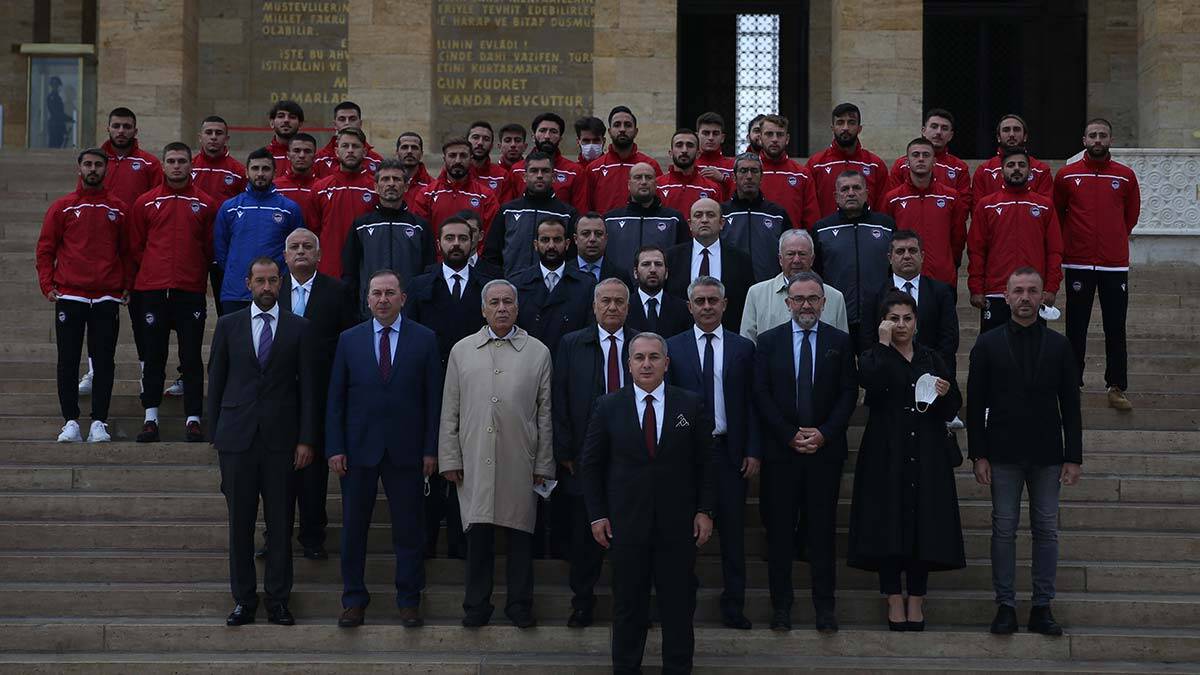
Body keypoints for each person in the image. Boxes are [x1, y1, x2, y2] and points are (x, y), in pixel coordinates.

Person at [582, 331, 715, 673]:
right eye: (639, 357)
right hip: (626, 526)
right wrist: (597, 515)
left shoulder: (690, 403)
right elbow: (591, 465)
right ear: (629, 365)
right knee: (628, 606)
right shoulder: (608, 406)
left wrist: (705, 510)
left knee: (678, 607)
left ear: (666, 363)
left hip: (678, 525)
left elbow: (707, 464)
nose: (646, 364)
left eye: (654, 357)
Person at [968, 268, 1082, 637]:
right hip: (1001, 453)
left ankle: (1041, 606)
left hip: (1048, 453)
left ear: (1042, 297)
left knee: (1046, 529)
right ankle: (1005, 605)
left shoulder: (1060, 346)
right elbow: (975, 405)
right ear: (1006, 294)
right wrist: (978, 455)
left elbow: (1071, 404)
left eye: (1033, 291)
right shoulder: (987, 344)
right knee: (1003, 528)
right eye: (1018, 290)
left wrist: (1073, 456)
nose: (1025, 298)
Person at [326, 269, 443, 629]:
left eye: (390, 293)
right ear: (367, 298)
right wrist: (335, 447)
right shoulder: (349, 339)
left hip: (407, 451)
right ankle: (353, 600)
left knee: (409, 530)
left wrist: (430, 449)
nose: (382, 299)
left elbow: (433, 400)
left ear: (402, 299)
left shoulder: (424, 339)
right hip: (358, 450)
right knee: (354, 530)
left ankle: (409, 601)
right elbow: (336, 399)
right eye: (376, 293)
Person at [439, 279, 555, 628]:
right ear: (483, 309)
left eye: (508, 302)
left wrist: (544, 463)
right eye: (495, 302)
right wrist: (449, 458)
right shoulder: (462, 350)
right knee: (478, 536)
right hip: (473, 456)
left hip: (521, 457)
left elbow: (545, 412)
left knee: (520, 536)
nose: (502, 308)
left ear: (518, 308)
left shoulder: (538, 352)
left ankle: (520, 605)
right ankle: (476, 606)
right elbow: (450, 409)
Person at [848, 290, 965, 632]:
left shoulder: (931, 357)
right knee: (888, 523)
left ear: (917, 322)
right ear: (883, 321)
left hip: (926, 451)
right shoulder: (875, 354)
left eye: (906, 318)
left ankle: (916, 597)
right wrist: (883, 344)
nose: (900, 324)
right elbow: (868, 381)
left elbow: (953, 404)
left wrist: (944, 394)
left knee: (922, 524)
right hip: (886, 450)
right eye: (894, 318)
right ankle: (892, 597)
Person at [208, 257, 315, 628]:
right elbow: (216, 380)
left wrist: (305, 439)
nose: (266, 287)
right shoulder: (228, 325)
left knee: (281, 525)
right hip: (237, 440)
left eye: (272, 281)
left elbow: (310, 391)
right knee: (239, 524)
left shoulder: (299, 328)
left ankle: (279, 600)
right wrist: (215, 434)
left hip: (282, 442)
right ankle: (243, 600)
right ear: (248, 283)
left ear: (281, 283)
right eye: (260, 281)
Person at [753, 271, 858, 632]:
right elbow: (761, 394)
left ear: (824, 302)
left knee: (822, 534)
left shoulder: (840, 342)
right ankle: (781, 607)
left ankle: (824, 609)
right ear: (788, 303)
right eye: (798, 299)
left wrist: (825, 434)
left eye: (813, 298)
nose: (806, 305)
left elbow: (848, 394)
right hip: (782, 454)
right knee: (780, 534)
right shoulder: (767, 342)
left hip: (824, 454)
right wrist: (788, 435)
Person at [256, 228, 356, 561]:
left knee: (313, 474)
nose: (301, 251)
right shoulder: (272, 290)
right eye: (294, 247)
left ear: (319, 255)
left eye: (307, 246)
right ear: (284, 256)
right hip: (279, 398)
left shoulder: (338, 291)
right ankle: (274, 537)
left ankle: (313, 536)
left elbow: (347, 343)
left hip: (321, 394)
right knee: (276, 476)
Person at [666, 277, 760, 630]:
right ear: (689, 306)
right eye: (700, 301)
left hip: (730, 453)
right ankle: (681, 606)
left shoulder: (743, 348)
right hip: (686, 457)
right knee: (682, 537)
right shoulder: (673, 347)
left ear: (725, 304)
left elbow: (753, 403)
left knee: (734, 536)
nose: (707, 307)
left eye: (713, 301)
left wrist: (752, 449)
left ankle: (734, 606)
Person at [406, 217, 497, 560]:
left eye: (462, 237)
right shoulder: (419, 286)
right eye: (449, 238)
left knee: (469, 470)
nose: (456, 243)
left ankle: (463, 545)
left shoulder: (489, 286)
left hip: (477, 390)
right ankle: (427, 543)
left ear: (474, 241)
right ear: (439, 243)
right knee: (429, 468)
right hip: (429, 389)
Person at [552, 278, 636, 627]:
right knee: (585, 537)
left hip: (632, 458)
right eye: (606, 301)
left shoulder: (641, 344)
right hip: (584, 458)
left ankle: (630, 607)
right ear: (594, 306)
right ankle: (582, 602)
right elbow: (559, 398)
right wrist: (565, 450)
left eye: (619, 301)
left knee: (630, 539)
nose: (612, 307)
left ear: (628, 307)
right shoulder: (572, 344)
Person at [126, 142, 216, 443]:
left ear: (192, 165)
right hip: (152, 290)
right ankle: (150, 417)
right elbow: (136, 246)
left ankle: (193, 418)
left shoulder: (204, 203)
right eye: (171, 161)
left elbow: (208, 246)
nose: (177, 166)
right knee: (153, 356)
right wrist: (155, 270)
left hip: (189, 290)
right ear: (163, 165)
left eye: (182, 161)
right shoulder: (145, 203)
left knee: (190, 357)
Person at [37, 148, 128, 443]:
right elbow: (46, 249)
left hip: (105, 297)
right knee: (68, 360)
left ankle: (99, 421)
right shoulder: (62, 207)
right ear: (79, 168)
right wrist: (47, 283)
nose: (93, 169)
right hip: (70, 295)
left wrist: (126, 284)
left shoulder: (119, 209)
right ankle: (71, 422)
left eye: (98, 165)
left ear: (106, 169)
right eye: (88, 164)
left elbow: (128, 251)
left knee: (104, 362)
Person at [1054, 118, 1141, 411]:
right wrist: (1075, 241)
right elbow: (1058, 212)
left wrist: (1113, 238)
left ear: (1111, 140)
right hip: (1078, 262)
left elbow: (1130, 216)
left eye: (1103, 135)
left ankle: (1116, 386)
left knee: (1115, 327)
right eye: (1093, 135)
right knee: (1075, 327)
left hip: (1114, 265)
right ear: (1084, 140)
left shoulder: (1125, 176)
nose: (1098, 140)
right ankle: (1072, 383)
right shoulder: (1066, 176)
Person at [968, 147, 1063, 334]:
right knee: (993, 350)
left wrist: (1051, 287)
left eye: (1022, 165)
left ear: (1029, 170)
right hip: (996, 291)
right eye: (1011, 165)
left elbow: (1054, 250)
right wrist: (976, 288)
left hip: (1033, 292)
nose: (1016, 169)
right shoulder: (986, 205)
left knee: (1033, 352)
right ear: (1002, 170)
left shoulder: (1044, 205)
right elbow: (976, 250)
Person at [213, 148, 304, 315]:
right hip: (236, 293)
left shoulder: (289, 209)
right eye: (255, 168)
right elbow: (221, 250)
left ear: (274, 172)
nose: (260, 173)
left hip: (275, 293)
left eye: (266, 169)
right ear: (246, 172)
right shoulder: (229, 208)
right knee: (237, 341)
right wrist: (236, 271)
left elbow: (295, 251)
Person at [812, 170, 896, 349]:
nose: (851, 193)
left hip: (877, 316)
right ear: (836, 196)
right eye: (845, 189)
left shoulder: (886, 226)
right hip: (836, 315)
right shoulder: (821, 229)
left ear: (866, 193)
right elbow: (816, 272)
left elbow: (893, 271)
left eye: (856, 188)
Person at [341, 160, 435, 316]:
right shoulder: (361, 226)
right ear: (376, 187)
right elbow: (350, 273)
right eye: (385, 179)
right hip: (369, 313)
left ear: (406, 186)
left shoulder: (419, 226)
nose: (391, 184)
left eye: (396, 179)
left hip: (411, 312)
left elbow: (428, 271)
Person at [864, 231, 959, 375]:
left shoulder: (941, 292)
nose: (907, 256)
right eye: (900, 251)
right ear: (890, 258)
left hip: (931, 374)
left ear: (922, 257)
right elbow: (867, 339)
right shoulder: (875, 294)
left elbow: (949, 338)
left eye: (912, 251)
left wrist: (933, 372)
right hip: (887, 375)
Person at [880, 138, 968, 289]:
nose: (921, 159)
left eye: (926, 155)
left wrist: (947, 263)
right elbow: (886, 239)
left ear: (934, 161)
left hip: (942, 278)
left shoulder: (951, 197)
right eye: (915, 155)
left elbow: (958, 238)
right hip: (904, 280)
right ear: (907, 162)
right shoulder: (892, 199)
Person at [740, 229, 848, 344]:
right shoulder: (757, 294)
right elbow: (747, 343)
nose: (796, 260)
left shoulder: (835, 298)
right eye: (790, 254)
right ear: (780, 259)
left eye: (802, 254)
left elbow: (841, 346)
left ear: (812, 259)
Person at [508, 218, 596, 358]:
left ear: (567, 244)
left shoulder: (587, 285)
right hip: (528, 363)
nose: (551, 246)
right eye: (545, 240)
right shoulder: (517, 284)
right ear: (536, 245)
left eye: (557, 240)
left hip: (571, 366)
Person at [482, 151, 577, 276]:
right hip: (512, 287)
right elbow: (491, 254)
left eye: (545, 171)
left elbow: (573, 256)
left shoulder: (567, 214)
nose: (539, 175)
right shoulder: (507, 211)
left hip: (554, 288)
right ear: (524, 176)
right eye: (534, 171)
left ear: (554, 177)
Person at [666, 198, 753, 333]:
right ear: (690, 224)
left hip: (728, 335)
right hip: (681, 336)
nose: (704, 220)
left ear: (721, 223)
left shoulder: (741, 259)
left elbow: (745, 302)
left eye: (710, 215)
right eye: (698, 215)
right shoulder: (671, 257)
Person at [311, 128, 379, 279]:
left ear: (365, 152)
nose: (350, 150)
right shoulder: (320, 188)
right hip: (329, 271)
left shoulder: (376, 188)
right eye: (345, 146)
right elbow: (313, 232)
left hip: (366, 271)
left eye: (355, 146)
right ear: (336, 151)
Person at [602, 162, 689, 274]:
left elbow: (684, 257)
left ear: (656, 184)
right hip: (620, 288)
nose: (643, 182)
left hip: (663, 288)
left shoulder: (674, 219)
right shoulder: (610, 220)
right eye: (638, 177)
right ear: (629, 184)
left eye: (648, 178)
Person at [720, 152, 794, 282]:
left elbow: (790, 252)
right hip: (731, 287)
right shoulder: (722, 212)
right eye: (743, 171)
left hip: (769, 287)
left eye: (754, 171)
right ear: (734, 177)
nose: (749, 176)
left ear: (761, 177)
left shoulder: (777, 214)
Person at [807, 103, 889, 217]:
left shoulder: (875, 164)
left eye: (851, 122)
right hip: (826, 232)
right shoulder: (816, 164)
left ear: (859, 128)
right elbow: (809, 207)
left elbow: (883, 207)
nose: (845, 128)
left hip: (867, 232)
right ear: (832, 128)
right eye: (840, 122)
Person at [411, 137, 500, 240]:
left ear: (471, 159)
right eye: (452, 156)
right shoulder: (426, 194)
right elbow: (420, 234)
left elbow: (492, 235)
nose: (458, 161)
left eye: (463, 156)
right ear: (444, 159)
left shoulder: (486, 196)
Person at [885, 109, 972, 208]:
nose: (939, 132)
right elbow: (891, 201)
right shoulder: (901, 165)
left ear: (951, 136)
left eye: (944, 128)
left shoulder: (959, 168)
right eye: (934, 127)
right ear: (923, 131)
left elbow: (963, 205)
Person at [585, 106, 663, 213]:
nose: (622, 129)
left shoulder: (650, 166)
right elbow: (587, 209)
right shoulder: (594, 168)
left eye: (628, 125)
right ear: (609, 131)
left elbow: (659, 204)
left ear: (636, 131)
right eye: (617, 125)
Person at [506, 112, 587, 213]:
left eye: (553, 131)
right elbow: (508, 211)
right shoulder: (516, 170)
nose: (547, 136)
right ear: (533, 136)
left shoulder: (575, 171)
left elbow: (580, 214)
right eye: (542, 131)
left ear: (560, 138)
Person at [756, 115, 821, 232]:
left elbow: (811, 217)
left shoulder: (802, 174)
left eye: (780, 135)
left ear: (787, 139)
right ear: (760, 138)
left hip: (792, 246)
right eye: (769, 134)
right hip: (757, 244)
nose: (775, 139)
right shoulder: (748, 172)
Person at [972, 114, 1054, 205]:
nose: (1011, 134)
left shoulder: (1041, 170)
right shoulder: (984, 171)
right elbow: (978, 210)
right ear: (998, 137)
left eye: (1016, 129)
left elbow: (1047, 209)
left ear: (1025, 136)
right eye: (1006, 130)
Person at [99, 107, 163, 208]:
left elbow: (159, 200)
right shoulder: (95, 162)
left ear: (135, 131)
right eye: (116, 126)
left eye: (127, 127)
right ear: (108, 129)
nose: (121, 131)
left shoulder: (150, 163)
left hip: (136, 222)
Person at [625, 245, 692, 337]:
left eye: (658, 264)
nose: (653, 270)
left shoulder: (683, 308)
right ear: (635, 273)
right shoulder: (624, 307)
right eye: (646, 264)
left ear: (666, 273)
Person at [656, 128, 723, 217]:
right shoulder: (657, 186)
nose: (684, 150)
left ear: (698, 154)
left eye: (690, 145)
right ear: (671, 153)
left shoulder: (712, 189)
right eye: (679, 145)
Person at [313, 101, 384, 176]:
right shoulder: (319, 159)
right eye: (342, 119)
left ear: (360, 124)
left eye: (352, 119)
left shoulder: (376, 161)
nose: (347, 123)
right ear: (335, 125)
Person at [191, 116, 247, 202]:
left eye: (219, 133)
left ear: (226, 139)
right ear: (200, 137)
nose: (213, 137)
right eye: (209, 132)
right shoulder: (189, 167)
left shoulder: (239, 171)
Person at [273, 133, 321, 228]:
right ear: (288, 155)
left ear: (315, 156)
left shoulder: (322, 188)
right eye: (296, 151)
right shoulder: (274, 187)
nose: (302, 155)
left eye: (307, 151)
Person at [574, 212, 631, 287]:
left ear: (606, 239)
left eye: (599, 234)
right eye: (585, 233)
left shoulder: (620, 276)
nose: (592, 239)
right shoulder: (564, 272)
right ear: (575, 239)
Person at [467, 120, 512, 202]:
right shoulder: (455, 172)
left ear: (491, 145)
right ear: (466, 142)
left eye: (486, 139)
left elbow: (504, 210)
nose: (480, 143)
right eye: (475, 137)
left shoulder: (502, 176)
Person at [695, 111, 736, 200]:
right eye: (706, 133)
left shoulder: (734, 165)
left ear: (722, 138)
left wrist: (723, 179)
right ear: (697, 136)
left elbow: (744, 193)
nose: (710, 138)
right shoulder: (690, 164)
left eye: (715, 133)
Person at [265, 100, 304, 175]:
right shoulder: (262, 157)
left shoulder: (310, 157)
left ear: (300, 124)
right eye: (281, 116)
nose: (286, 120)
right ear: (272, 123)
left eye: (292, 117)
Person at [396, 131, 434, 206]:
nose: (409, 151)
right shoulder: (387, 183)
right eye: (405, 147)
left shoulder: (432, 186)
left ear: (421, 154)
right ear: (397, 152)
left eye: (414, 148)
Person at [45, 76, 71, 148]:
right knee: (54, 144)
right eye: (55, 85)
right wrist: (70, 119)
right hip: (55, 125)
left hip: (58, 124)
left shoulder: (57, 97)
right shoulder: (52, 97)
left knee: (59, 143)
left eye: (57, 85)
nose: (56, 87)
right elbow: (56, 113)